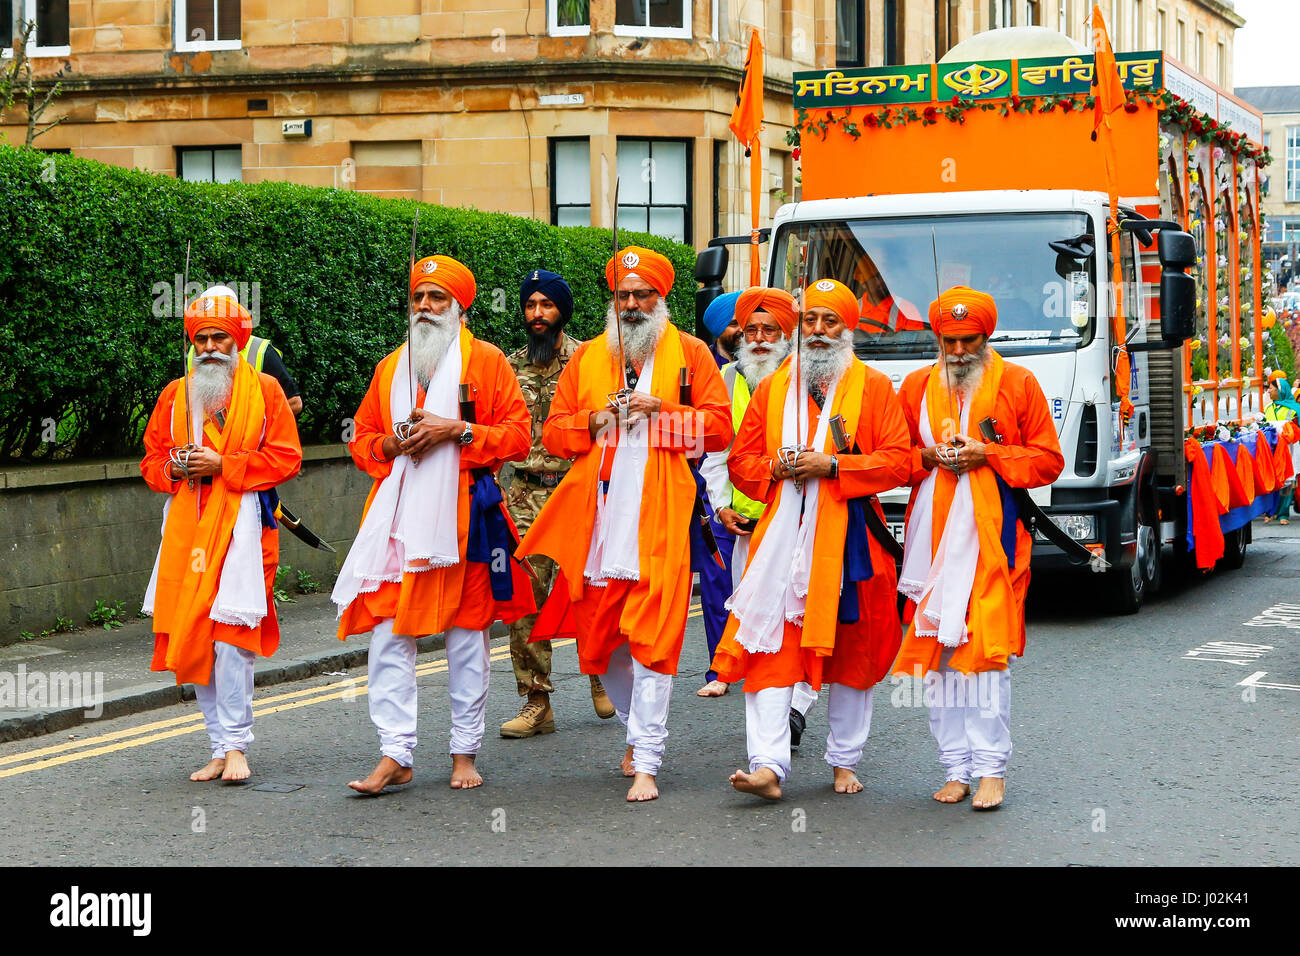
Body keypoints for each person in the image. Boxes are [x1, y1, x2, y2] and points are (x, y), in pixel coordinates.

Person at [518, 245, 732, 802]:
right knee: (603, 640)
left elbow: (719, 431)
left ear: (662, 300)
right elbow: (558, 435)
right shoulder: (588, 357)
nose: (632, 304)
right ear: (612, 301)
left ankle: (648, 757)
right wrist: (593, 419)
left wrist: (665, 413)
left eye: (643, 295)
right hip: (598, 517)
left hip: (662, 512)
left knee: (654, 635)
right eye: (623, 296)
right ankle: (636, 730)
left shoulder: (692, 355)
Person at [332, 254, 534, 794]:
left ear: (459, 308)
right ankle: (395, 753)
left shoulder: (488, 362)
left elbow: (518, 436)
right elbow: (362, 438)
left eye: (436, 298)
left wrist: (459, 430)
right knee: (386, 636)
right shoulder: (389, 367)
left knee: (466, 639)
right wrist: (390, 443)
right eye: (418, 297)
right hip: (398, 522)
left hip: (466, 521)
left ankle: (464, 753)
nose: (424, 307)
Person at [711, 278, 912, 800]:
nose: (818, 332)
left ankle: (844, 761)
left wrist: (835, 464)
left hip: (851, 542)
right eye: (811, 321)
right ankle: (767, 767)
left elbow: (898, 462)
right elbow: (741, 462)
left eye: (830, 322)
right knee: (767, 644)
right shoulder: (775, 386)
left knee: (851, 652)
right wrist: (776, 470)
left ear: (848, 330)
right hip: (780, 537)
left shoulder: (873, 387)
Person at [894, 286, 1064, 810]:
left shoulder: (1018, 382)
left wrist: (986, 454)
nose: (960, 351)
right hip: (930, 540)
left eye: (969, 341)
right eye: (949, 342)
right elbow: (897, 457)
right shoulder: (918, 386)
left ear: (987, 337)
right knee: (938, 657)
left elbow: (1047, 460)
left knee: (986, 656)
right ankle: (955, 767)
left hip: (993, 540)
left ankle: (991, 769)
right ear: (937, 340)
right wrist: (931, 457)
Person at [140, 289, 302, 782]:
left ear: (237, 341)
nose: (209, 346)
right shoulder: (175, 394)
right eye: (201, 338)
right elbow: (150, 462)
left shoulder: (267, 391)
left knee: (232, 641)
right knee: (196, 639)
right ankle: (217, 745)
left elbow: (286, 459)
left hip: (244, 529)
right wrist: (174, 466)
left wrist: (223, 464)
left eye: (220, 337)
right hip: (187, 529)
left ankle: (236, 746)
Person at [500, 268, 615, 737]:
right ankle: (536, 700)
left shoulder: (591, 361)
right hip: (525, 489)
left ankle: (601, 674)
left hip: (580, 487)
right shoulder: (509, 365)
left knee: (589, 587)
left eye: (546, 305)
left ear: (562, 312)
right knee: (526, 597)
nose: (537, 314)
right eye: (530, 305)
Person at [696, 288, 796, 699]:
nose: (757, 338)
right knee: (736, 598)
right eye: (750, 329)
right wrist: (720, 506)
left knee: (790, 605)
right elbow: (716, 453)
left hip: (793, 515)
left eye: (768, 330)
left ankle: (793, 689)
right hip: (739, 517)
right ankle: (730, 669)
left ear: (785, 334)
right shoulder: (726, 378)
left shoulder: (804, 378)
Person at [186, 285, 303, 417]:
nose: (209, 347)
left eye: (225, 311)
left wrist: (253, 423)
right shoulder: (194, 352)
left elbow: (294, 403)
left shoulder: (261, 351)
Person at [855, 254, 925, 335]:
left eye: (884, 275)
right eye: (876, 276)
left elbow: (917, 344)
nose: (882, 280)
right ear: (863, 281)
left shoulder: (907, 310)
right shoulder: (852, 309)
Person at [1263, 371, 1300, 524]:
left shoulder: (1294, 408)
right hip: (1272, 447)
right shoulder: (1267, 409)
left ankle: (1283, 514)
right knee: (1272, 478)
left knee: (1288, 479)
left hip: (1290, 448)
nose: (1269, 391)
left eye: (1271, 388)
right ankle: (1270, 511)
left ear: (1280, 390)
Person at [703, 290, 744, 368]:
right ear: (718, 328)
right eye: (734, 324)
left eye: (745, 323)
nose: (742, 329)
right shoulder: (703, 363)